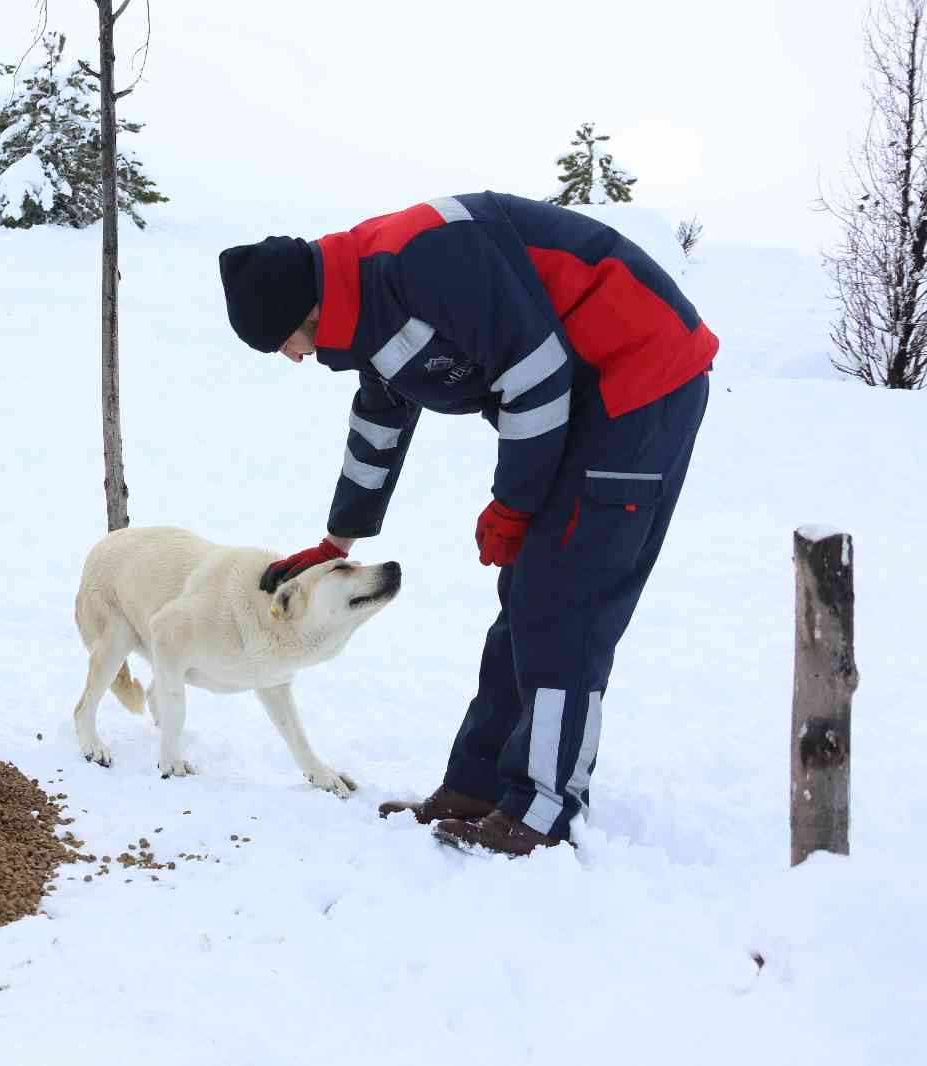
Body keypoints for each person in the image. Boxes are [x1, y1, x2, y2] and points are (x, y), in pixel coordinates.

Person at [217, 192, 716, 857]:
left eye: (286, 341)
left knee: (563, 596)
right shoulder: (364, 295)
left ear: (304, 311)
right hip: (580, 395)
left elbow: (535, 375)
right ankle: (481, 788)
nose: (294, 357)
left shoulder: (424, 259)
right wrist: (337, 542)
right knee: (528, 594)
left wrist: (513, 505)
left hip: (638, 379)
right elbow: (380, 414)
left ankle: (543, 812)